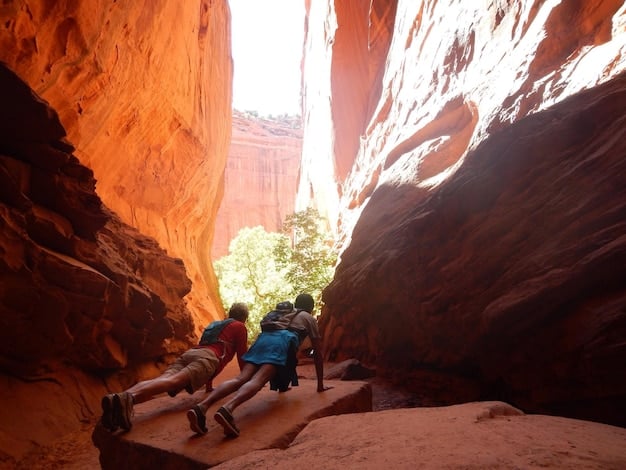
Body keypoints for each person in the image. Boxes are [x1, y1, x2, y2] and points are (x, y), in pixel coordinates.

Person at [186, 293, 331, 438]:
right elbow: (317, 352)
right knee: (259, 379)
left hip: (262, 340)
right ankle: (227, 409)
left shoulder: (283, 314)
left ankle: (202, 407)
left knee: (241, 378)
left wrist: (282, 385)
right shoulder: (308, 318)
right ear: (311, 308)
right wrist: (320, 385)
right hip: (280, 344)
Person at [100, 302, 249, 432]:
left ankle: (118, 398)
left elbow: (209, 343)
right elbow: (242, 355)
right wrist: (246, 379)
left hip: (191, 353)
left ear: (230, 312)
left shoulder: (215, 324)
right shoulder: (239, 326)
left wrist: (209, 385)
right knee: (175, 381)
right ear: (244, 318)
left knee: (164, 378)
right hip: (207, 358)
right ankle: (129, 398)